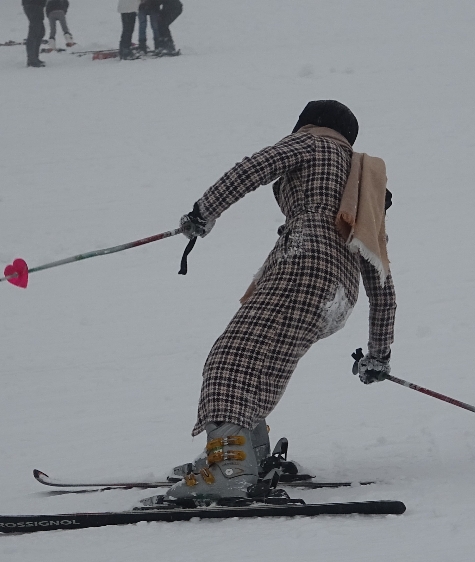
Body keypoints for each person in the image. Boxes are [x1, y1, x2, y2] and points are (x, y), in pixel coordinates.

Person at [167, 100, 397, 501]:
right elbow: (381, 280)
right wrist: (379, 355)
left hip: (304, 265)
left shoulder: (312, 145)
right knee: (262, 365)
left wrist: (205, 211)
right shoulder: (363, 187)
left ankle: (231, 468)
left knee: (230, 358)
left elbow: (253, 168)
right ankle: (246, 457)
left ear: (308, 125)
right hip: (338, 293)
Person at [22, 0, 46, 67]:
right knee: (35, 31)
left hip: (37, 6)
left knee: (40, 31)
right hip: (33, 5)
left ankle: (35, 57)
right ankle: (32, 60)